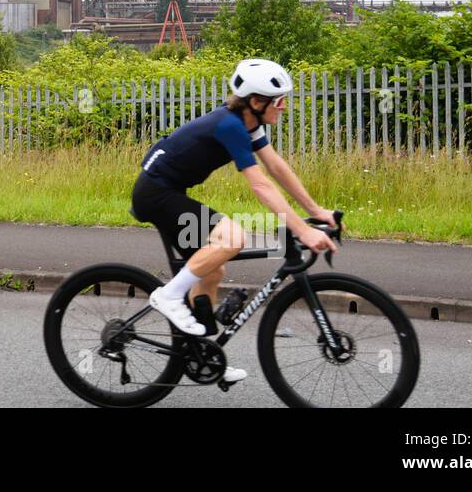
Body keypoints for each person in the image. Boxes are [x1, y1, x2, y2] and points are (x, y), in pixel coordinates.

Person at [130, 58, 339, 384]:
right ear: (256, 102)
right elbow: (260, 185)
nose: (283, 107)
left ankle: (202, 355)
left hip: (167, 190)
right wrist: (302, 230)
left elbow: (277, 168)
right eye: (279, 101)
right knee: (231, 238)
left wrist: (316, 211)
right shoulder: (229, 126)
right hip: (155, 194)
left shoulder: (246, 123)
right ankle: (168, 296)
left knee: (212, 269)